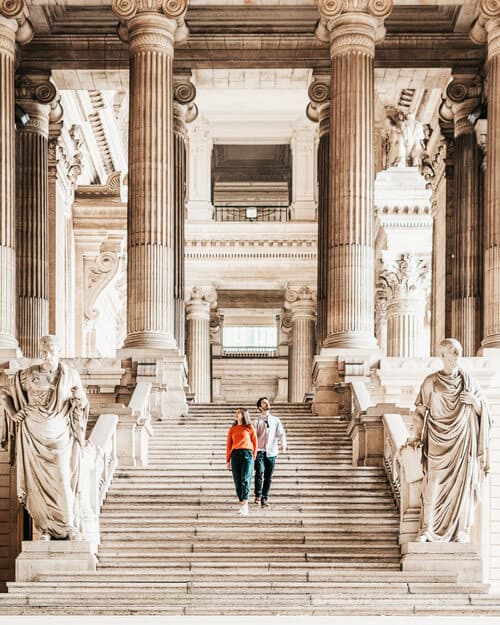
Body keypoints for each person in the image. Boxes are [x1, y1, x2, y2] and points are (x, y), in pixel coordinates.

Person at [0, 334, 89, 540]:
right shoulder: (28, 374)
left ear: (59, 351)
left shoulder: (70, 375)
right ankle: (44, 529)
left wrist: (79, 401)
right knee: (36, 487)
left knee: (62, 480)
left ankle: (68, 527)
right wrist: (14, 413)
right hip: (33, 435)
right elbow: (5, 394)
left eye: (49, 351)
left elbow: (82, 402)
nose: (45, 355)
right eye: (43, 351)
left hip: (60, 437)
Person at [406, 338, 491, 543]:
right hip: (437, 439)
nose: (455, 358)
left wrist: (476, 402)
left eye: (458, 353)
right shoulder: (430, 382)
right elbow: (420, 412)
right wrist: (415, 436)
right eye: (451, 353)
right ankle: (427, 529)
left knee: (463, 486)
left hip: (463, 440)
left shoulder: (470, 382)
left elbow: (488, 414)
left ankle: (461, 530)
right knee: (433, 484)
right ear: (441, 356)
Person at [253, 397, 287, 508]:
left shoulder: (276, 420)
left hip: (272, 451)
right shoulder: (257, 421)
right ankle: (258, 495)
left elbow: (281, 434)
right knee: (259, 472)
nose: (267, 404)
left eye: (267, 402)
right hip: (259, 451)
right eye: (264, 403)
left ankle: (264, 498)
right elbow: (253, 436)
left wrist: (283, 445)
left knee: (268, 476)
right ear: (259, 407)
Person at [226, 407, 257, 516]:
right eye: (236, 412)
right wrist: (227, 460)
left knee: (245, 479)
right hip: (235, 455)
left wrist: (254, 454)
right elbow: (229, 445)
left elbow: (254, 441)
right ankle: (242, 504)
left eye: (238, 413)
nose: (236, 414)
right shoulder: (232, 429)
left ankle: (245, 504)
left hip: (247, 454)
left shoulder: (249, 427)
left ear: (244, 415)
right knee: (237, 481)